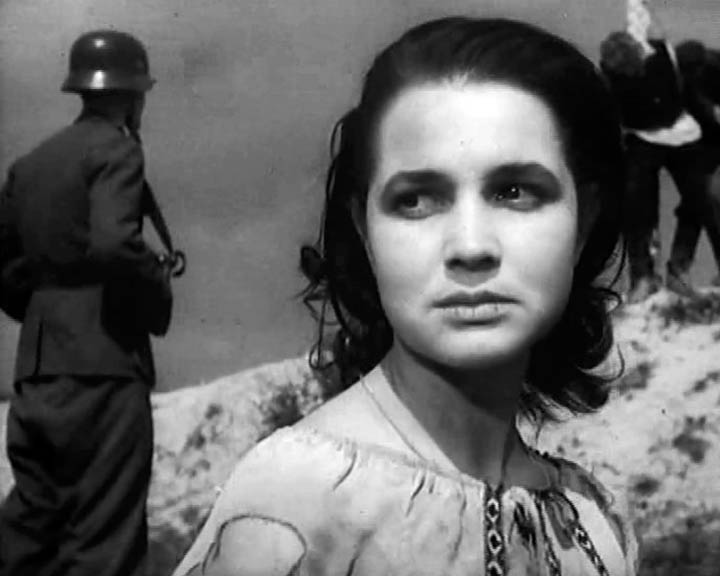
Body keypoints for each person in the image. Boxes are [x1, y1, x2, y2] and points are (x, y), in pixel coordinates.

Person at [173, 17, 638, 576]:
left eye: (514, 191)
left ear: (583, 223)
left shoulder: (593, 523)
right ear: (364, 229)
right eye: (416, 200)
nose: (470, 247)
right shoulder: (297, 501)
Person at [0, 30, 176, 576]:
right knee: (105, 545)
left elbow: (5, 271)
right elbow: (114, 244)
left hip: (37, 372)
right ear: (132, 93)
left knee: (29, 542)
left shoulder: (29, 166)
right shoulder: (117, 150)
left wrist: (51, 314)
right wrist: (156, 286)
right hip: (105, 368)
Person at [600, 30, 720, 302]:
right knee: (638, 207)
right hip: (642, 138)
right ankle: (643, 276)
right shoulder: (609, 79)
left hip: (682, 131)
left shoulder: (667, 56)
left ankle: (679, 268)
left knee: (702, 201)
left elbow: (696, 99)